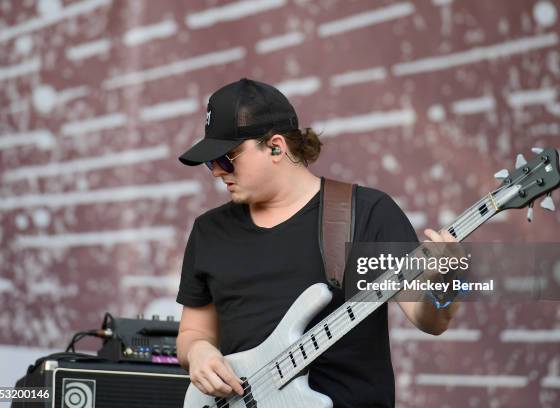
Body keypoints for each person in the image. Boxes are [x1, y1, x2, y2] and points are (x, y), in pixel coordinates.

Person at [175, 78, 460, 407]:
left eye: (226, 159)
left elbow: (431, 319)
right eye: (211, 162)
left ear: (276, 147)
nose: (216, 172)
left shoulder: (367, 213)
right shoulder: (209, 231)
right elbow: (193, 333)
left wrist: (447, 281)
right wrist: (198, 353)